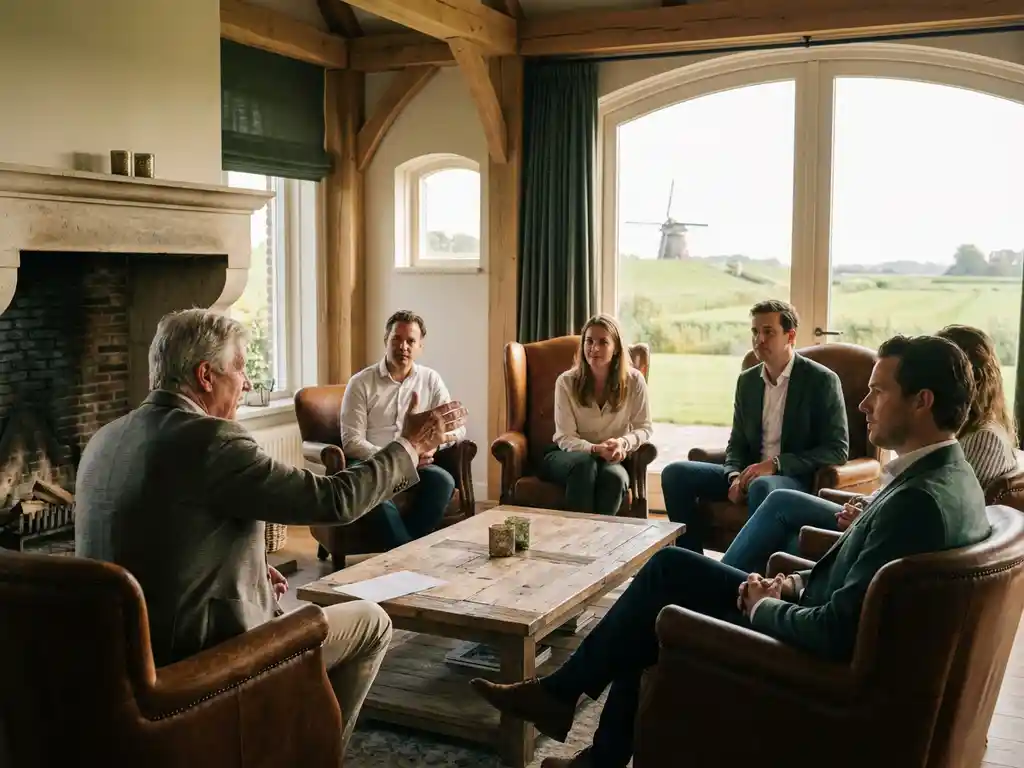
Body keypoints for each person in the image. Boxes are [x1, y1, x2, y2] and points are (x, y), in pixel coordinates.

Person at [470, 334, 990, 768]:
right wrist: (790, 582)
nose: (865, 403)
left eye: (879, 391)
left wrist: (765, 604)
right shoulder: (944, 479)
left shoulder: (919, 502)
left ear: (922, 400)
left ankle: (564, 704)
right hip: (808, 612)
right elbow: (859, 585)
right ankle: (576, 723)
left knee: (656, 600)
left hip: (812, 658)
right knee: (664, 578)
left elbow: (836, 631)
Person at [75, 308, 467, 754]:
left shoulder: (102, 440)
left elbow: (161, 531)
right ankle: (308, 755)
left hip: (115, 667)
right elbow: (335, 500)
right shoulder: (214, 441)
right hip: (205, 662)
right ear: (206, 375)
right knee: (372, 622)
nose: (245, 382)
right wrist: (410, 445)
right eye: (240, 369)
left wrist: (251, 568)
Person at [722, 323, 1019, 574]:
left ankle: (728, 586)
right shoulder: (943, 444)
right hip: (876, 514)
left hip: (882, 524)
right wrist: (867, 505)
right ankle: (736, 583)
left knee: (778, 514)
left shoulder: (979, 442)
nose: (864, 405)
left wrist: (868, 515)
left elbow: (939, 508)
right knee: (782, 512)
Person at [661, 299, 849, 553]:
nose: (759, 339)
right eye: (755, 331)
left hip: (792, 479)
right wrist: (734, 477)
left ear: (790, 335)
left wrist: (776, 464)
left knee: (762, 485)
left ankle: (746, 573)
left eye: (768, 332)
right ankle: (692, 561)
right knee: (675, 473)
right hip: (749, 474)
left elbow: (837, 450)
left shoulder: (822, 381)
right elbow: (737, 443)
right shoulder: (748, 381)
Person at [340, 310, 467, 548]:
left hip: (418, 464)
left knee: (443, 482)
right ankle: (407, 555)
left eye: (410, 341)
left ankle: (405, 550)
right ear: (385, 342)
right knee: (376, 496)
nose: (403, 347)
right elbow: (351, 441)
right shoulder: (360, 383)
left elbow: (458, 430)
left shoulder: (431, 380)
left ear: (420, 346)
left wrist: (436, 444)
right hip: (373, 463)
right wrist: (395, 457)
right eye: (396, 340)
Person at [540, 314, 652, 516]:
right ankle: (576, 540)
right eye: (589, 341)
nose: (594, 348)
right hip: (567, 455)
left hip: (611, 459)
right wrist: (593, 449)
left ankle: (600, 544)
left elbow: (644, 428)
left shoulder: (635, 381)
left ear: (616, 347)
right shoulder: (566, 382)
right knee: (585, 466)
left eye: (603, 342)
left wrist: (622, 443)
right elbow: (565, 437)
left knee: (615, 479)